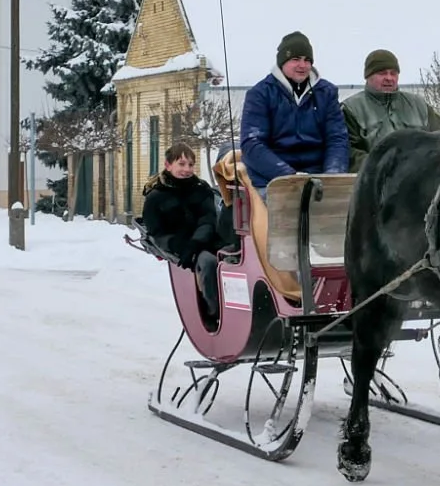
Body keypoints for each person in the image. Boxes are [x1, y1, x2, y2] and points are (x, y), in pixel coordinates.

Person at [238, 31, 348, 190]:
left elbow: (337, 138)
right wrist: (288, 176)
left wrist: (333, 175)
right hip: (272, 179)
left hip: (318, 176)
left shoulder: (326, 93)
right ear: (282, 62)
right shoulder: (260, 94)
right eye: (295, 59)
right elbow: (252, 144)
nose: (302, 65)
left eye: (307, 60)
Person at [141, 142, 232, 325]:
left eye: (190, 164)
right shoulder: (155, 197)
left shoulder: (201, 189)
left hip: (206, 240)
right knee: (208, 263)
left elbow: (208, 218)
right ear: (168, 165)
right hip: (180, 247)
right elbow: (157, 233)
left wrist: (196, 243)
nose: (187, 169)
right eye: (181, 164)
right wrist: (182, 247)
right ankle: (214, 312)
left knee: (236, 256)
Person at [343, 49, 440, 170]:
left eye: (393, 73)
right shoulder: (351, 109)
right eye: (382, 73)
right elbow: (349, 152)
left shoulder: (418, 105)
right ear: (368, 76)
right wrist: (380, 165)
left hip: (422, 177)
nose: (389, 78)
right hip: (377, 181)